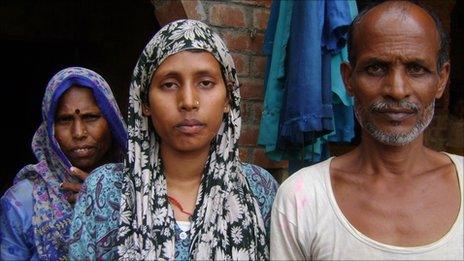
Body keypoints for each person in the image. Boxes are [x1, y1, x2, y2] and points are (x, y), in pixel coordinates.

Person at [68, 19, 279, 260]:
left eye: (206, 83)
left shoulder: (259, 189)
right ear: (144, 103)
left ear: (228, 99)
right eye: (169, 84)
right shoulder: (104, 190)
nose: (188, 101)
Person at [270, 1, 463, 260]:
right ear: (348, 79)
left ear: (441, 79)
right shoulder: (303, 198)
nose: (396, 90)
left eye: (416, 69)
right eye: (376, 68)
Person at [0, 67, 127, 260]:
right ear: (50, 129)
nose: (78, 132)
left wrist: (108, 199)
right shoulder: (22, 202)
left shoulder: (140, 191)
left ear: (112, 121)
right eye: (65, 120)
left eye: (90, 117)